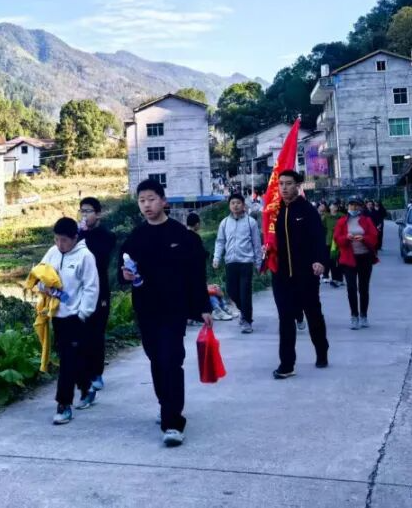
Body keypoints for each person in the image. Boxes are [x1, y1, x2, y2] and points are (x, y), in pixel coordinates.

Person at [118, 179, 211, 447]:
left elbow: (196, 275)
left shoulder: (183, 236)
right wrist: (124, 275)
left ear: (164, 201)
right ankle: (165, 405)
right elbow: (121, 271)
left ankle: (173, 422)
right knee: (157, 360)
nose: (146, 205)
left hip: (174, 310)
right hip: (146, 309)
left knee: (171, 360)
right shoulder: (136, 237)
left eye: (151, 199)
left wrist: (204, 307)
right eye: (142, 201)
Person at [269, 170, 329, 379]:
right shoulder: (274, 211)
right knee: (285, 318)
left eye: (288, 183)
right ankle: (287, 365)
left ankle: (322, 351)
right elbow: (269, 238)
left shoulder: (307, 210)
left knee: (313, 314)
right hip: (281, 275)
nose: (284, 188)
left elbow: (319, 238)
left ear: (297, 186)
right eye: (281, 184)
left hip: (305, 274)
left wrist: (320, 261)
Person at [39, 217, 100, 425]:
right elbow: (40, 275)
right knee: (71, 357)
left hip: (76, 317)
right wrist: (45, 288)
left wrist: (83, 314)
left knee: (67, 360)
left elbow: (91, 288)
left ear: (75, 238)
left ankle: (63, 404)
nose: (60, 244)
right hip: (57, 315)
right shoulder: (52, 252)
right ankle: (86, 387)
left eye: (64, 240)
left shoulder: (85, 256)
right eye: (56, 239)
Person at [78, 197, 116, 393]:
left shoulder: (106, 236)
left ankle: (97, 373)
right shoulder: (78, 235)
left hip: (100, 292)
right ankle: (84, 372)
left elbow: (98, 257)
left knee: (96, 333)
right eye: (82, 211)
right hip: (80, 292)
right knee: (82, 333)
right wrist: (79, 234)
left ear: (98, 214)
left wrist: (84, 234)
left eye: (88, 211)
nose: (84, 215)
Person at [213, 193, 263, 334]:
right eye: (233, 203)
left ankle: (247, 321)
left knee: (245, 293)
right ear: (229, 206)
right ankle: (244, 312)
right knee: (232, 292)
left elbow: (256, 243)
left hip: (246, 262)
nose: (235, 205)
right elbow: (220, 242)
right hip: (231, 262)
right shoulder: (224, 223)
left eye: (238, 203)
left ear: (243, 205)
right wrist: (216, 258)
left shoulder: (250, 222)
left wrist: (259, 263)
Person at [334, 198, 379, 329]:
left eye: (356, 205)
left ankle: (364, 315)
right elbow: (337, 239)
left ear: (361, 207)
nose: (354, 208)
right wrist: (346, 238)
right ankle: (354, 316)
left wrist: (363, 238)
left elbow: (374, 237)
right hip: (349, 259)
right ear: (347, 207)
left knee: (363, 288)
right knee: (351, 288)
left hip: (364, 258)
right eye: (351, 205)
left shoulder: (366, 220)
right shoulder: (342, 221)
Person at [319, 202, 344, 287]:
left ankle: (338, 278)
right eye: (332, 206)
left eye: (335, 206)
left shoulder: (342, 216)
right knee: (328, 260)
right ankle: (327, 276)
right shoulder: (326, 216)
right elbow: (322, 227)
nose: (333, 208)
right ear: (329, 207)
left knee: (338, 260)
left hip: (339, 241)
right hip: (329, 241)